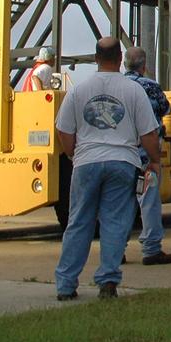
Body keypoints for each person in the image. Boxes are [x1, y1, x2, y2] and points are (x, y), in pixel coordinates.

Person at [54, 38, 162, 299]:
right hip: (123, 160)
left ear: (95, 58)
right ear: (118, 59)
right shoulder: (133, 90)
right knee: (115, 221)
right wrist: (155, 161)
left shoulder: (79, 90)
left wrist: (72, 153)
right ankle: (108, 281)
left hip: (86, 161)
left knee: (79, 222)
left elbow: (63, 129)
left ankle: (66, 284)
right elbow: (149, 132)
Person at [124, 45, 171, 265]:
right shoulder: (150, 86)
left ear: (124, 64)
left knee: (122, 204)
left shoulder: (116, 86)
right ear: (144, 66)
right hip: (146, 157)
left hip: (122, 157)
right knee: (148, 201)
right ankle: (152, 249)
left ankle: (117, 249)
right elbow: (165, 109)